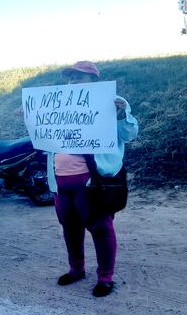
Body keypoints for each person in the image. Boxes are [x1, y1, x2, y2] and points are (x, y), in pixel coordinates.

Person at [49, 61, 139, 298]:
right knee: (69, 228)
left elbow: (129, 134)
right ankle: (76, 269)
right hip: (60, 180)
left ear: (94, 81)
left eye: (79, 76)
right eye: (71, 77)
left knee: (100, 228)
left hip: (92, 180)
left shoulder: (113, 101)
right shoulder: (58, 103)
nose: (73, 81)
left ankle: (105, 277)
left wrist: (121, 116)